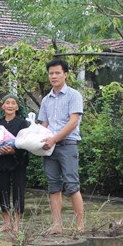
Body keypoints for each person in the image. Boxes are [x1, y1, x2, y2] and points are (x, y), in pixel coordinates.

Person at [38, 58, 85, 234]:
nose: (54, 76)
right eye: (51, 73)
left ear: (65, 74)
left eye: (57, 73)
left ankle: (80, 226)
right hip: (49, 148)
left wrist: (54, 139)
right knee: (53, 185)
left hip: (67, 144)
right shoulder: (46, 100)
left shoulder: (74, 95)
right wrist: (37, 140)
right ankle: (57, 225)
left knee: (72, 185)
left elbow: (73, 122)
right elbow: (44, 124)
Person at [0, 94, 30, 233]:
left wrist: (13, 150)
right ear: (3, 106)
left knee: (18, 190)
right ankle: (6, 223)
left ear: (17, 107)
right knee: (3, 190)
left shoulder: (23, 123)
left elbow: (25, 143)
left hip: (18, 160)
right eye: (7, 103)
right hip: (2, 160)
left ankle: (17, 224)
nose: (10, 105)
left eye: (13, 103)